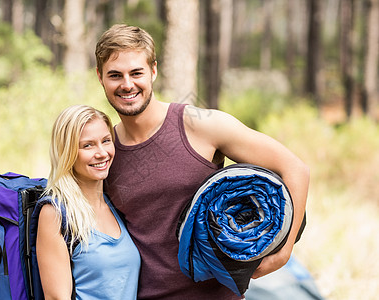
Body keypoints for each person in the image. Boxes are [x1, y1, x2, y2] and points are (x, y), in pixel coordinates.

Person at [96, 24, 310, 300]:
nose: (127, 84)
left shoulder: (199, 125)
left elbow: (295, 169)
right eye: (115, 75)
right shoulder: (104, 153)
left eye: (136, 72)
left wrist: (284, 252)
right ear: (100, 77)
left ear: (153, 71)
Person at [35, 105, 141, 299]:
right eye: (88, 145)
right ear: (67, 152)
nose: (102, 153)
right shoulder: (55, 213)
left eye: (106, 141)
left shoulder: (114, 205)